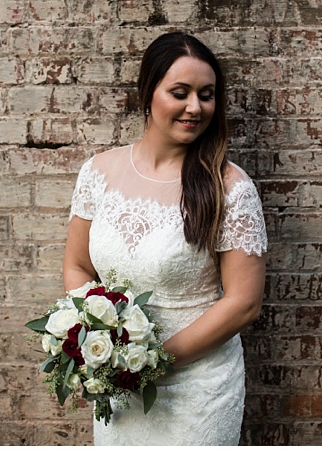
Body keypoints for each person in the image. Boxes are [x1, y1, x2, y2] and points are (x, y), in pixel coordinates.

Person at [62, 31, 268, 445]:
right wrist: (99, 340)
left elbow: (243, 303)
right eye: (180, 92)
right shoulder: (99, 172)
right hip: (118, 381)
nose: (196, 107)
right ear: (148, 92)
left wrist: (151, 363)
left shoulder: (229, 186)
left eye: (206, 95)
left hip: (198, 388)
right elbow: (78, 265)